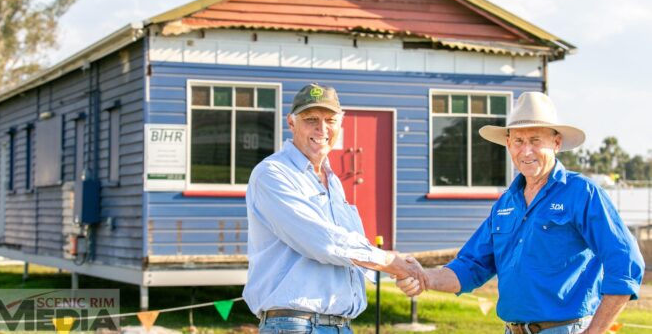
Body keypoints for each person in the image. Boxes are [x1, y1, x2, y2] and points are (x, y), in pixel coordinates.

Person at [397, 92, 645, 334]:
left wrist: (596, 331)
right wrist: (424, 277)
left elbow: (626, 262)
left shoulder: (583, 194)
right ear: (508, 144)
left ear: (556, 143)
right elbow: (470, 266)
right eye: (518, 141)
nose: (526, 151)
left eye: (536, 140)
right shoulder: (506, 203)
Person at [243, 83, 426, 334]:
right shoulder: (272, 173)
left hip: (338, 325)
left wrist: (398, 267)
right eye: (311, 119)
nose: (322, 129)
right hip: (296, 325)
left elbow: (346, 251)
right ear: (291, 122)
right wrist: (389, 261)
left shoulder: (333, 182)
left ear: (341, 123)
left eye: (330, 120)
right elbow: (321, 240)